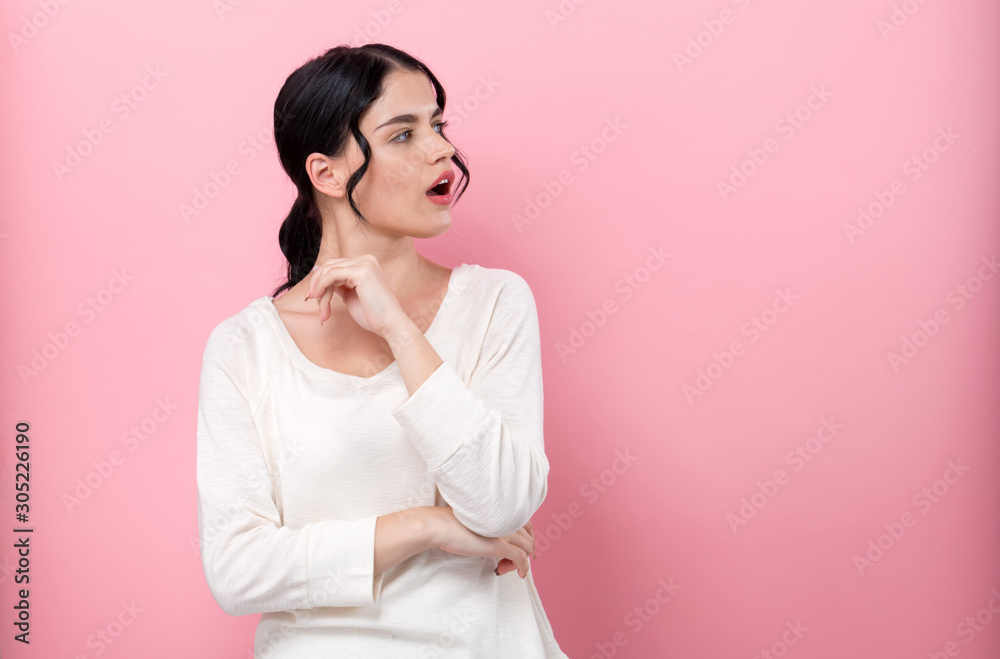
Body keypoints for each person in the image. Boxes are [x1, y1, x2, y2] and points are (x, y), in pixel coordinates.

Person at [195, 43, 568, 657]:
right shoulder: (244, 347)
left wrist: (401, 330)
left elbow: (502, 503)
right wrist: (424, 526)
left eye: (438, 124)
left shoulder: (496, 302)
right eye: (403, 135)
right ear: (327, 173)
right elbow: (238, 570)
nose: (443, 150)